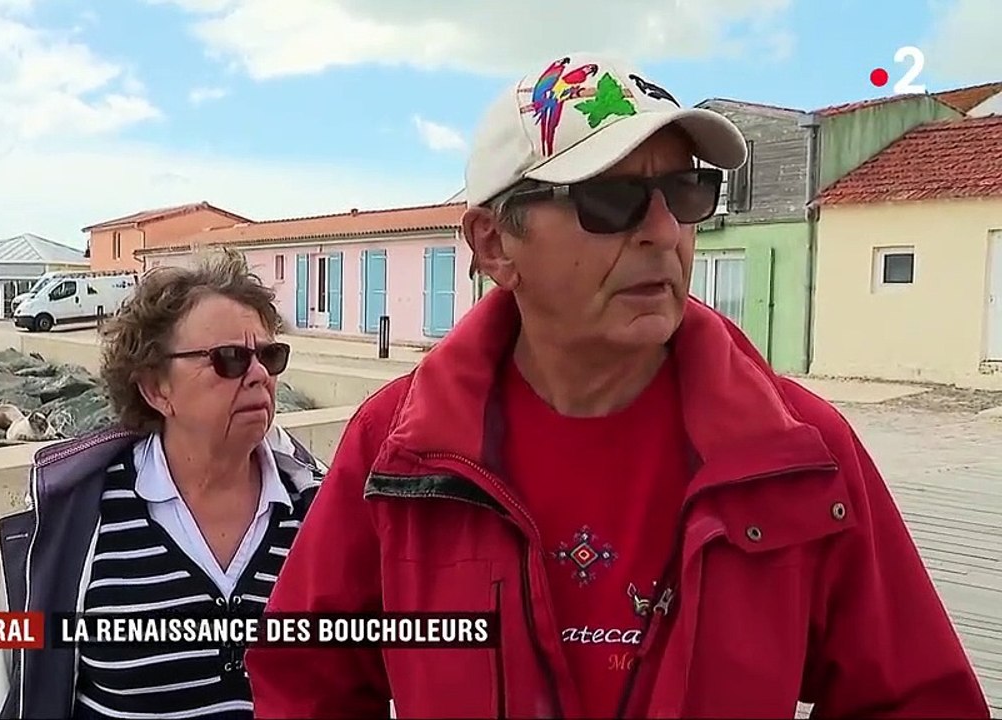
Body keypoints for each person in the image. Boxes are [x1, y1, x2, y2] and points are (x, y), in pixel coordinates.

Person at [245, 52, 988, 719]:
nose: (663, 231)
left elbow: (916, 699)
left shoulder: (801, 450)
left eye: (687, 191)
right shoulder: (398, 450)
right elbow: (307, 676)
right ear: (495, 243)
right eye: (610, 199)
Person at [0, 250, 328, 720]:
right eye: (230, 360)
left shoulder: (321, 513)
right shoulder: (70, 522)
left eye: (270, 357)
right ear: (156, 389)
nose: (259, 375)